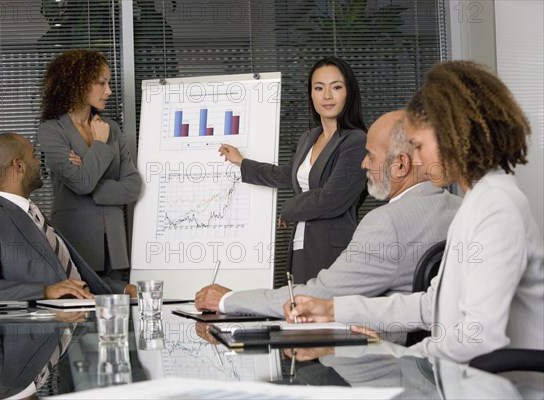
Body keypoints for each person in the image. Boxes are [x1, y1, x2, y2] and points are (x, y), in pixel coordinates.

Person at [286, 61, 544, 362]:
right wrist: (333, 309)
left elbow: (477, 339)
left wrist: (392, 353)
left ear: (453, 135)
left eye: (419, 145)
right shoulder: (477, 202)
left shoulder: (496, 208)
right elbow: (432, 305)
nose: (416, 160)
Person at [195, 110, 461, 316]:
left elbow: (318, 297)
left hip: (385, 362)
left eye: (370, 155)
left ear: (400, 165)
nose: (363, 163)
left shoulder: (386, 223)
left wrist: (228, 300)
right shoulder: (458, 210)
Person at [218, 57, 367, 283]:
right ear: (311, 94)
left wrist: (288, 209)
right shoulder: (309, 138)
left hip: (333, 251)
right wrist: (242, 162)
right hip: (301, 244)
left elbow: (331, 197)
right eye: (319, 88)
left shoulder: (356, 141)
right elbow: (289, 175)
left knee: (323, 316)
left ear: (349, 93)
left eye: (336, 87)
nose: (327, 96)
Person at [0, 133, 137, 304]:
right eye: (34, 156)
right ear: (19, 166)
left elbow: (67, 277)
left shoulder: (33, 214)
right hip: (40, 330)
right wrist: (45, 292)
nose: (40, 163)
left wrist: (122, 289)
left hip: (79, 319)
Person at [38, 49, 142, 278]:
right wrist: (98, 145)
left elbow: (133, 186)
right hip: (76, 244)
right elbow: (81, 183)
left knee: (118, 311)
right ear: (78, 84)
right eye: (101, 83)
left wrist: (87, 170)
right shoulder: (51, 131)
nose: (109, 91)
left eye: (109, 83)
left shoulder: (111, 128)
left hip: (115, 249)